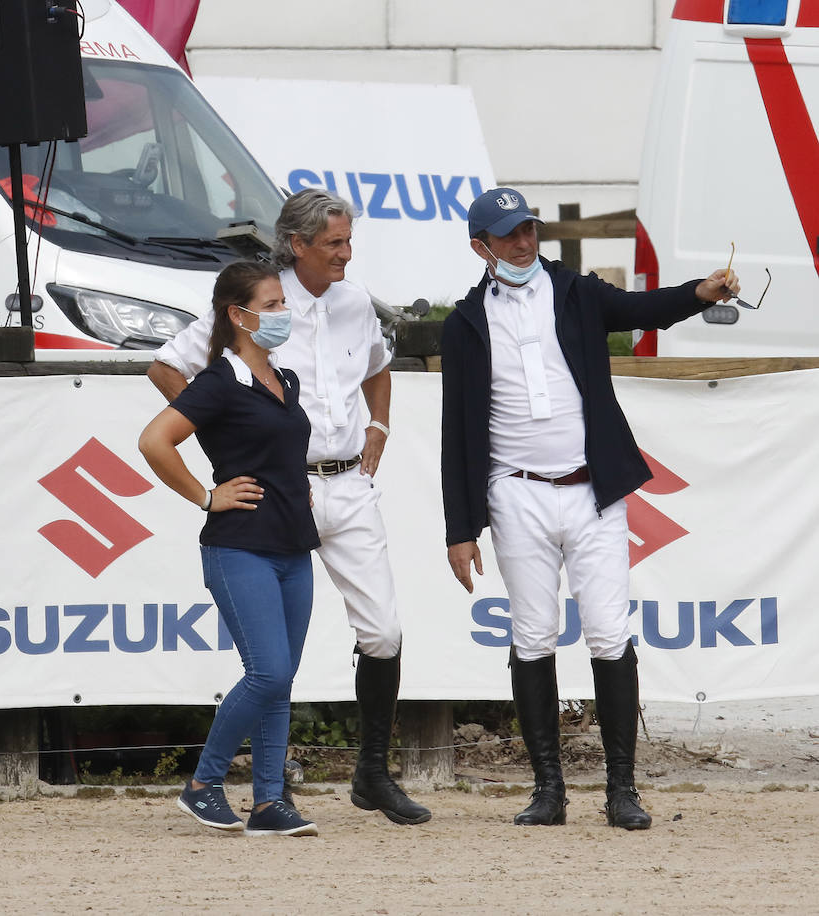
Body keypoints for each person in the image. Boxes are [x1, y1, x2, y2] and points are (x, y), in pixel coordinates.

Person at [441, 187, 740, 830]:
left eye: (529, 229)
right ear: (481, 248)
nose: (524, 242)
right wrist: (460, 527)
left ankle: (621, 789)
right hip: (515, 490)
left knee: (608, 633)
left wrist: (699, 292)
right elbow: (456, 428)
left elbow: (643, 308)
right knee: (531, 637)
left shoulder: (574, 292)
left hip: (590, 488)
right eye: (509, 235)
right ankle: (549, 789)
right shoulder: (465, 321)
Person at [149, 189, 431, 826]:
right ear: (296, 244)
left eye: (348, 240)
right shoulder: (261, 298)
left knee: (382, 631)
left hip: (346, 481)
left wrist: (379, 428)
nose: (346, 253)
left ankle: (370, 774)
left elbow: (379, 367)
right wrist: (229, 431)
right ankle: (240, 786)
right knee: (273, 669)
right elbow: (167, 366)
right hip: (279, 485)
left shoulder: (357, 302)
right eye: (334, 242)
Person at [140, 260, 321, 837]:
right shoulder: (219, 380)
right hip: (240, 546)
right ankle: (203, 783)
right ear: (237, 315)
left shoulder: (284, 380)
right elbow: (154, 440)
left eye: (281, 304)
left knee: (281, 678)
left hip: (293, 547)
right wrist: (205, 496)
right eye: (270, 306)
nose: (282, 314)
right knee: (267, 672)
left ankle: (269, 802)